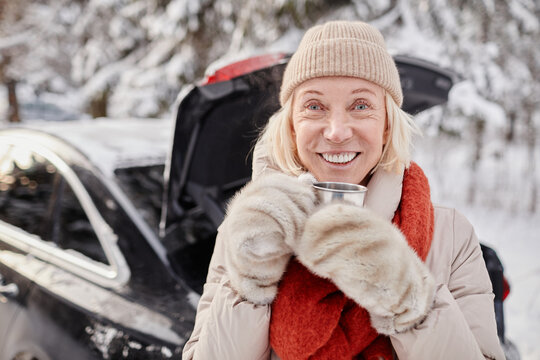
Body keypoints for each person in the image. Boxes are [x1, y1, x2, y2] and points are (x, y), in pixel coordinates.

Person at [182, 20, 505, 360]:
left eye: (361, 105)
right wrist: (249, 281)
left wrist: (405, 296)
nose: (336, 131)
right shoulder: (246, 230)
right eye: (315, 106)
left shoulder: (451, 235)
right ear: (292, 127)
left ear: (386, 126)